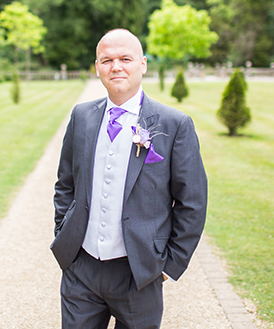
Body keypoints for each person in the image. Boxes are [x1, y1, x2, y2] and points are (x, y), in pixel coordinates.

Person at [50, 28, 208, 328]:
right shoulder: (81, 116)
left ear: (143, 64)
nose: (116, 67)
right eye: (106, 60)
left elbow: (193, 201)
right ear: (97, 67)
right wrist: (63, 234)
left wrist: (168, 264)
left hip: (139, 273)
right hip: (80, 268)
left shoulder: (175, 125)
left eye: (125, 58)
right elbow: (65, 184)